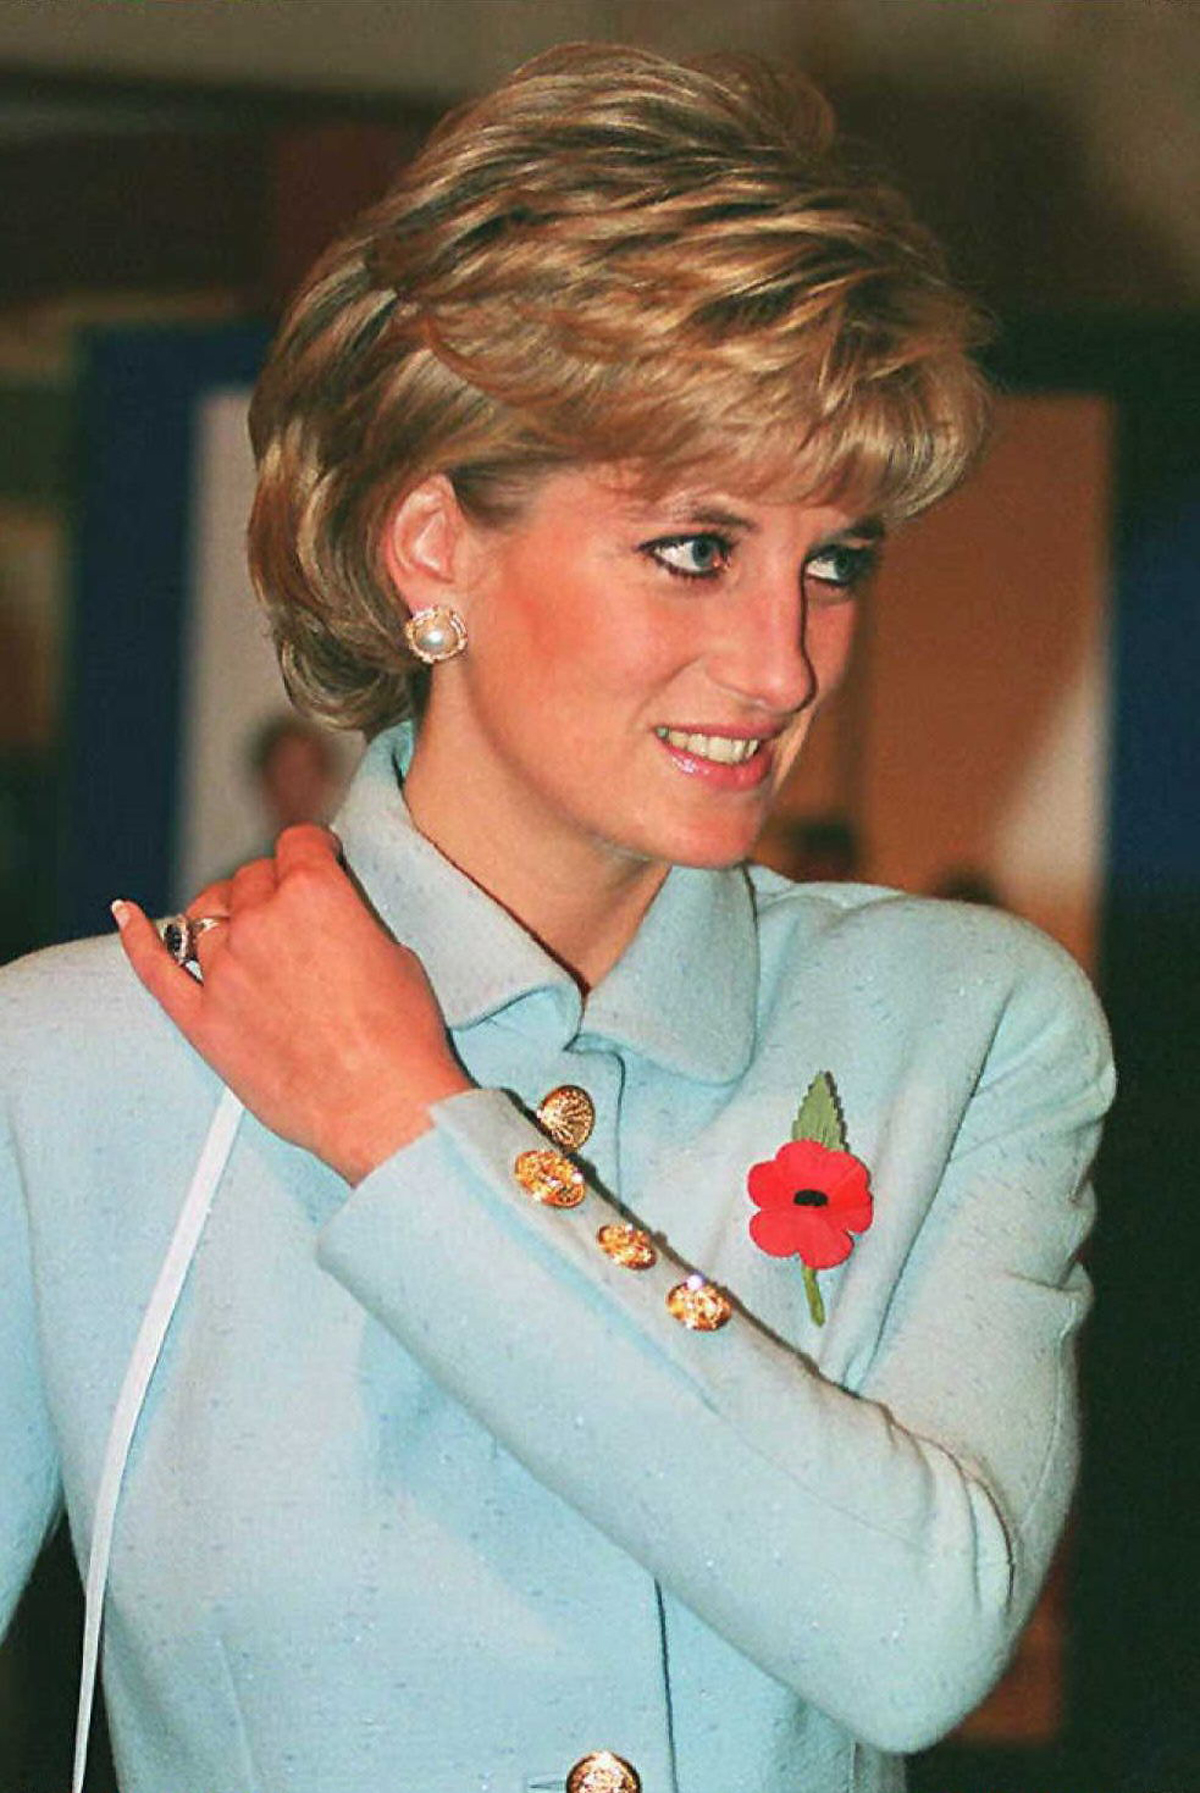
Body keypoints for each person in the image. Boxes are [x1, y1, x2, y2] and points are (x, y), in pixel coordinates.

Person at [0, 45, 1112, 1793]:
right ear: (432, 547)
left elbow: (918, 1640)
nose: (785, 660)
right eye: (696, 545)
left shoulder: (963, 1029)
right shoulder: (73, 1063)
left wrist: (403, 1127)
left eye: (837, 557)